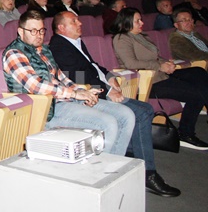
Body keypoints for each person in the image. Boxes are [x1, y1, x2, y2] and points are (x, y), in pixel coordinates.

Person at [49, 12, 180, 197]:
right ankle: (148, 173)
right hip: (90, 94)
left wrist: (109, 75)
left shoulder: (75, 41)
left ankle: (131, 151)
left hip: (100, 87)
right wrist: (107, 90)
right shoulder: (59, 46)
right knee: (141, 113)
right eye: (74, 21)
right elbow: (75, 76)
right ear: (61, 28)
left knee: (146, 109)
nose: (80, 23)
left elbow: (92, 65)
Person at [3, 10, 134, 157]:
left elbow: (62, 77)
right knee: (107, 124)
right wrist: (75, 94)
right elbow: (36, 86)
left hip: (66, 100)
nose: (39, 35)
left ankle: (113, 164)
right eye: (33, 31)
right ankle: (100, 169)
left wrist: (83, 93)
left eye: (41, 30)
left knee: (126, 115)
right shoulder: (14, 53)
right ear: (21, 31)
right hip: (46, 110)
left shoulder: (44, 50)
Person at [112, 8, 208, 149]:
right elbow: (130, 63)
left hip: (159, 73)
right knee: (196, 94)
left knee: (198, 72)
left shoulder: (142, 36)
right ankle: (185, 134)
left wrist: (166, 63)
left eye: (141, 19)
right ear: (126, 22)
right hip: (146, 81)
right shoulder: (121, 38)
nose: (142, 23)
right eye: (137, 21)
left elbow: (155, 57)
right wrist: (160, 65)